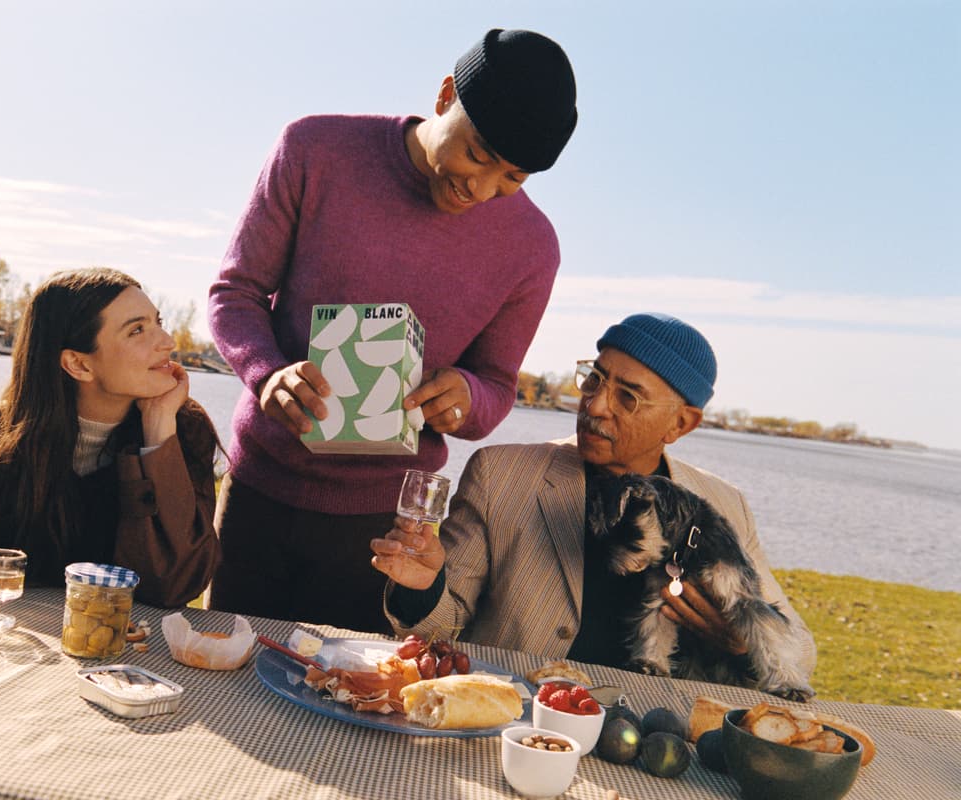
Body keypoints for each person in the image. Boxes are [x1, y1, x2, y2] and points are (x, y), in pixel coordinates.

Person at [206, 29, 579, 632]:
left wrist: (467, 396)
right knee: (226, 685)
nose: (480, 189)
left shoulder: (534, 248)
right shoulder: (314, 148)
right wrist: (267, 372)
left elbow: (497, 388)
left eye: (513, 178)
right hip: (260, 497)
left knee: (352, 708)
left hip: (387, 526)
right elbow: (235, 293)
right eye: (479, 154)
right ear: (445, 94)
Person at [371, 312, 817, 686]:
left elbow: (801, 651)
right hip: (520, 719)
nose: (596, 405)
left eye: (628, 397)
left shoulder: (723, 504)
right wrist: (422, 585)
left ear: (680, 424)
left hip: (664, 734)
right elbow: (444, 625)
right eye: (595, 379)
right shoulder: (500, 474)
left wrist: (739, 641)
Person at [0, 267, 221, 608]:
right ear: (78, 364)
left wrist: (157, 438)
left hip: (124, 658)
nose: (168, 342)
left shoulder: (184, 430)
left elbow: (178, 585)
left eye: (158, 323)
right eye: (137, 330)